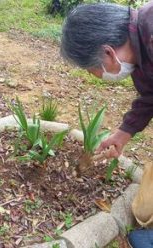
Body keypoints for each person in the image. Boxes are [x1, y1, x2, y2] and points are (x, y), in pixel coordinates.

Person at [61, 2, 153, 247]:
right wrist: (122, 134)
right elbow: (151, 97)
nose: (99, 77)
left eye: (94, 71)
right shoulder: (141, 53)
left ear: (108, 53)